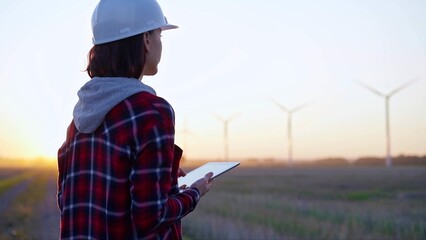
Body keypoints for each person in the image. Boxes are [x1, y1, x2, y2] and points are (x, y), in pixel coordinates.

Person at [57, 0, 214, 239]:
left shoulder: (78, 119)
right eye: (159, 34)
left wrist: (165, 175)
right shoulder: (152, 112)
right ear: (146, 39)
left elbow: (68, 200)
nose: (161, 43)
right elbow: (150, 216)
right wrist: (193, 193)